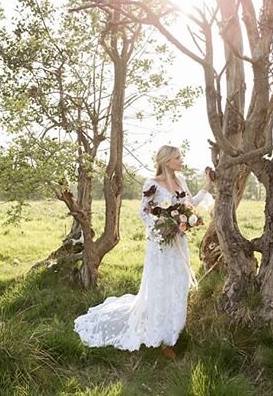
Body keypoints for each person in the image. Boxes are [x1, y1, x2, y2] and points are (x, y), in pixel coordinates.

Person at [74, 145, 214, 356]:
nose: (181, 161)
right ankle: (160, 334)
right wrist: (163, 227)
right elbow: (144, 213)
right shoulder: (152, 185)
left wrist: (207, 186)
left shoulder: (181, 181)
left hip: (179, 243)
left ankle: (175, 330)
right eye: (178, 158)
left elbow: (190, 203)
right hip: (161, 244)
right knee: (161, 284)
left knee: (178, 282)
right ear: (167, 161)